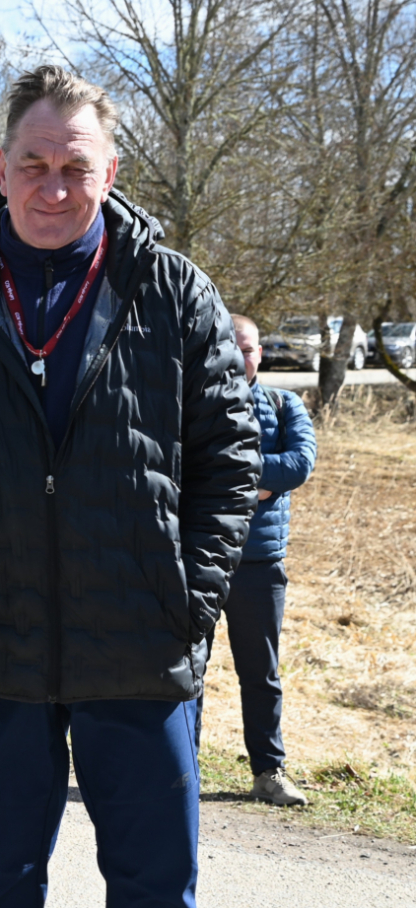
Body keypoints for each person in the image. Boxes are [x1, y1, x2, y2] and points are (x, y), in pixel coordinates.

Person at [0, 66, 260, 908]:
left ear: (112, 169)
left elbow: (229, 458)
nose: (53, 187)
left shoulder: (173, 291)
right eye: (34, 163)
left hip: (141, 648)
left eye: (75, 166)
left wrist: (190, 604)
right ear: (1, 167)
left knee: (154, 888)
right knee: (0, 886)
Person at [195, 315, 316, 806]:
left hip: (260, 563)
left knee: (260, 673)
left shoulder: (285, 404)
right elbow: (182, 464)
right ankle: (180, 767)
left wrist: (235, 473)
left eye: (249, 348)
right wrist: (259, 480)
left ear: (260, 353)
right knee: (188, 667)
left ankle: (269, 771)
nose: (241, 356)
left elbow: (301, 463)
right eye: (233, 346)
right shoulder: (196, 402)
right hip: (201, 556)